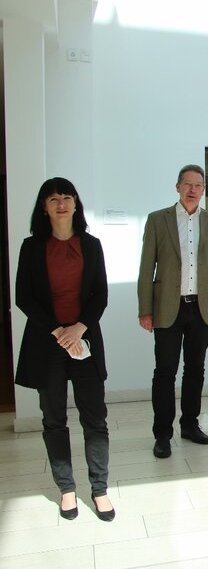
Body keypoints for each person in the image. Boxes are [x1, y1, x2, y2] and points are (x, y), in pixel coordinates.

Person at [15, 177, 115, 522]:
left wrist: (79, 329)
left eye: (67, 197)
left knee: (95, 419)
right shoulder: (31, 248)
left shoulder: (91, 245)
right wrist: (60, 331)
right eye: (54, 198)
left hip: (84, 340)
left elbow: (100, 295)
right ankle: (67, 489)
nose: (61, 203)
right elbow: (23, 298)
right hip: (48, 342)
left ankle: (99, 489)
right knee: (54, 419)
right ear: (44, 206)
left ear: (76, 204)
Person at [138, 164, 208, 459]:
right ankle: (162, 435)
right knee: (165, 372)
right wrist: (145, 309)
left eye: (198, 185)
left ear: (203, 190)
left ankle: (190, 425)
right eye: (187, 184)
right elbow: (146, 268)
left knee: (195, 370)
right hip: (168, 307)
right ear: (177, 187)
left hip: (202, 308)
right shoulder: (158, 220)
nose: (193, 190)